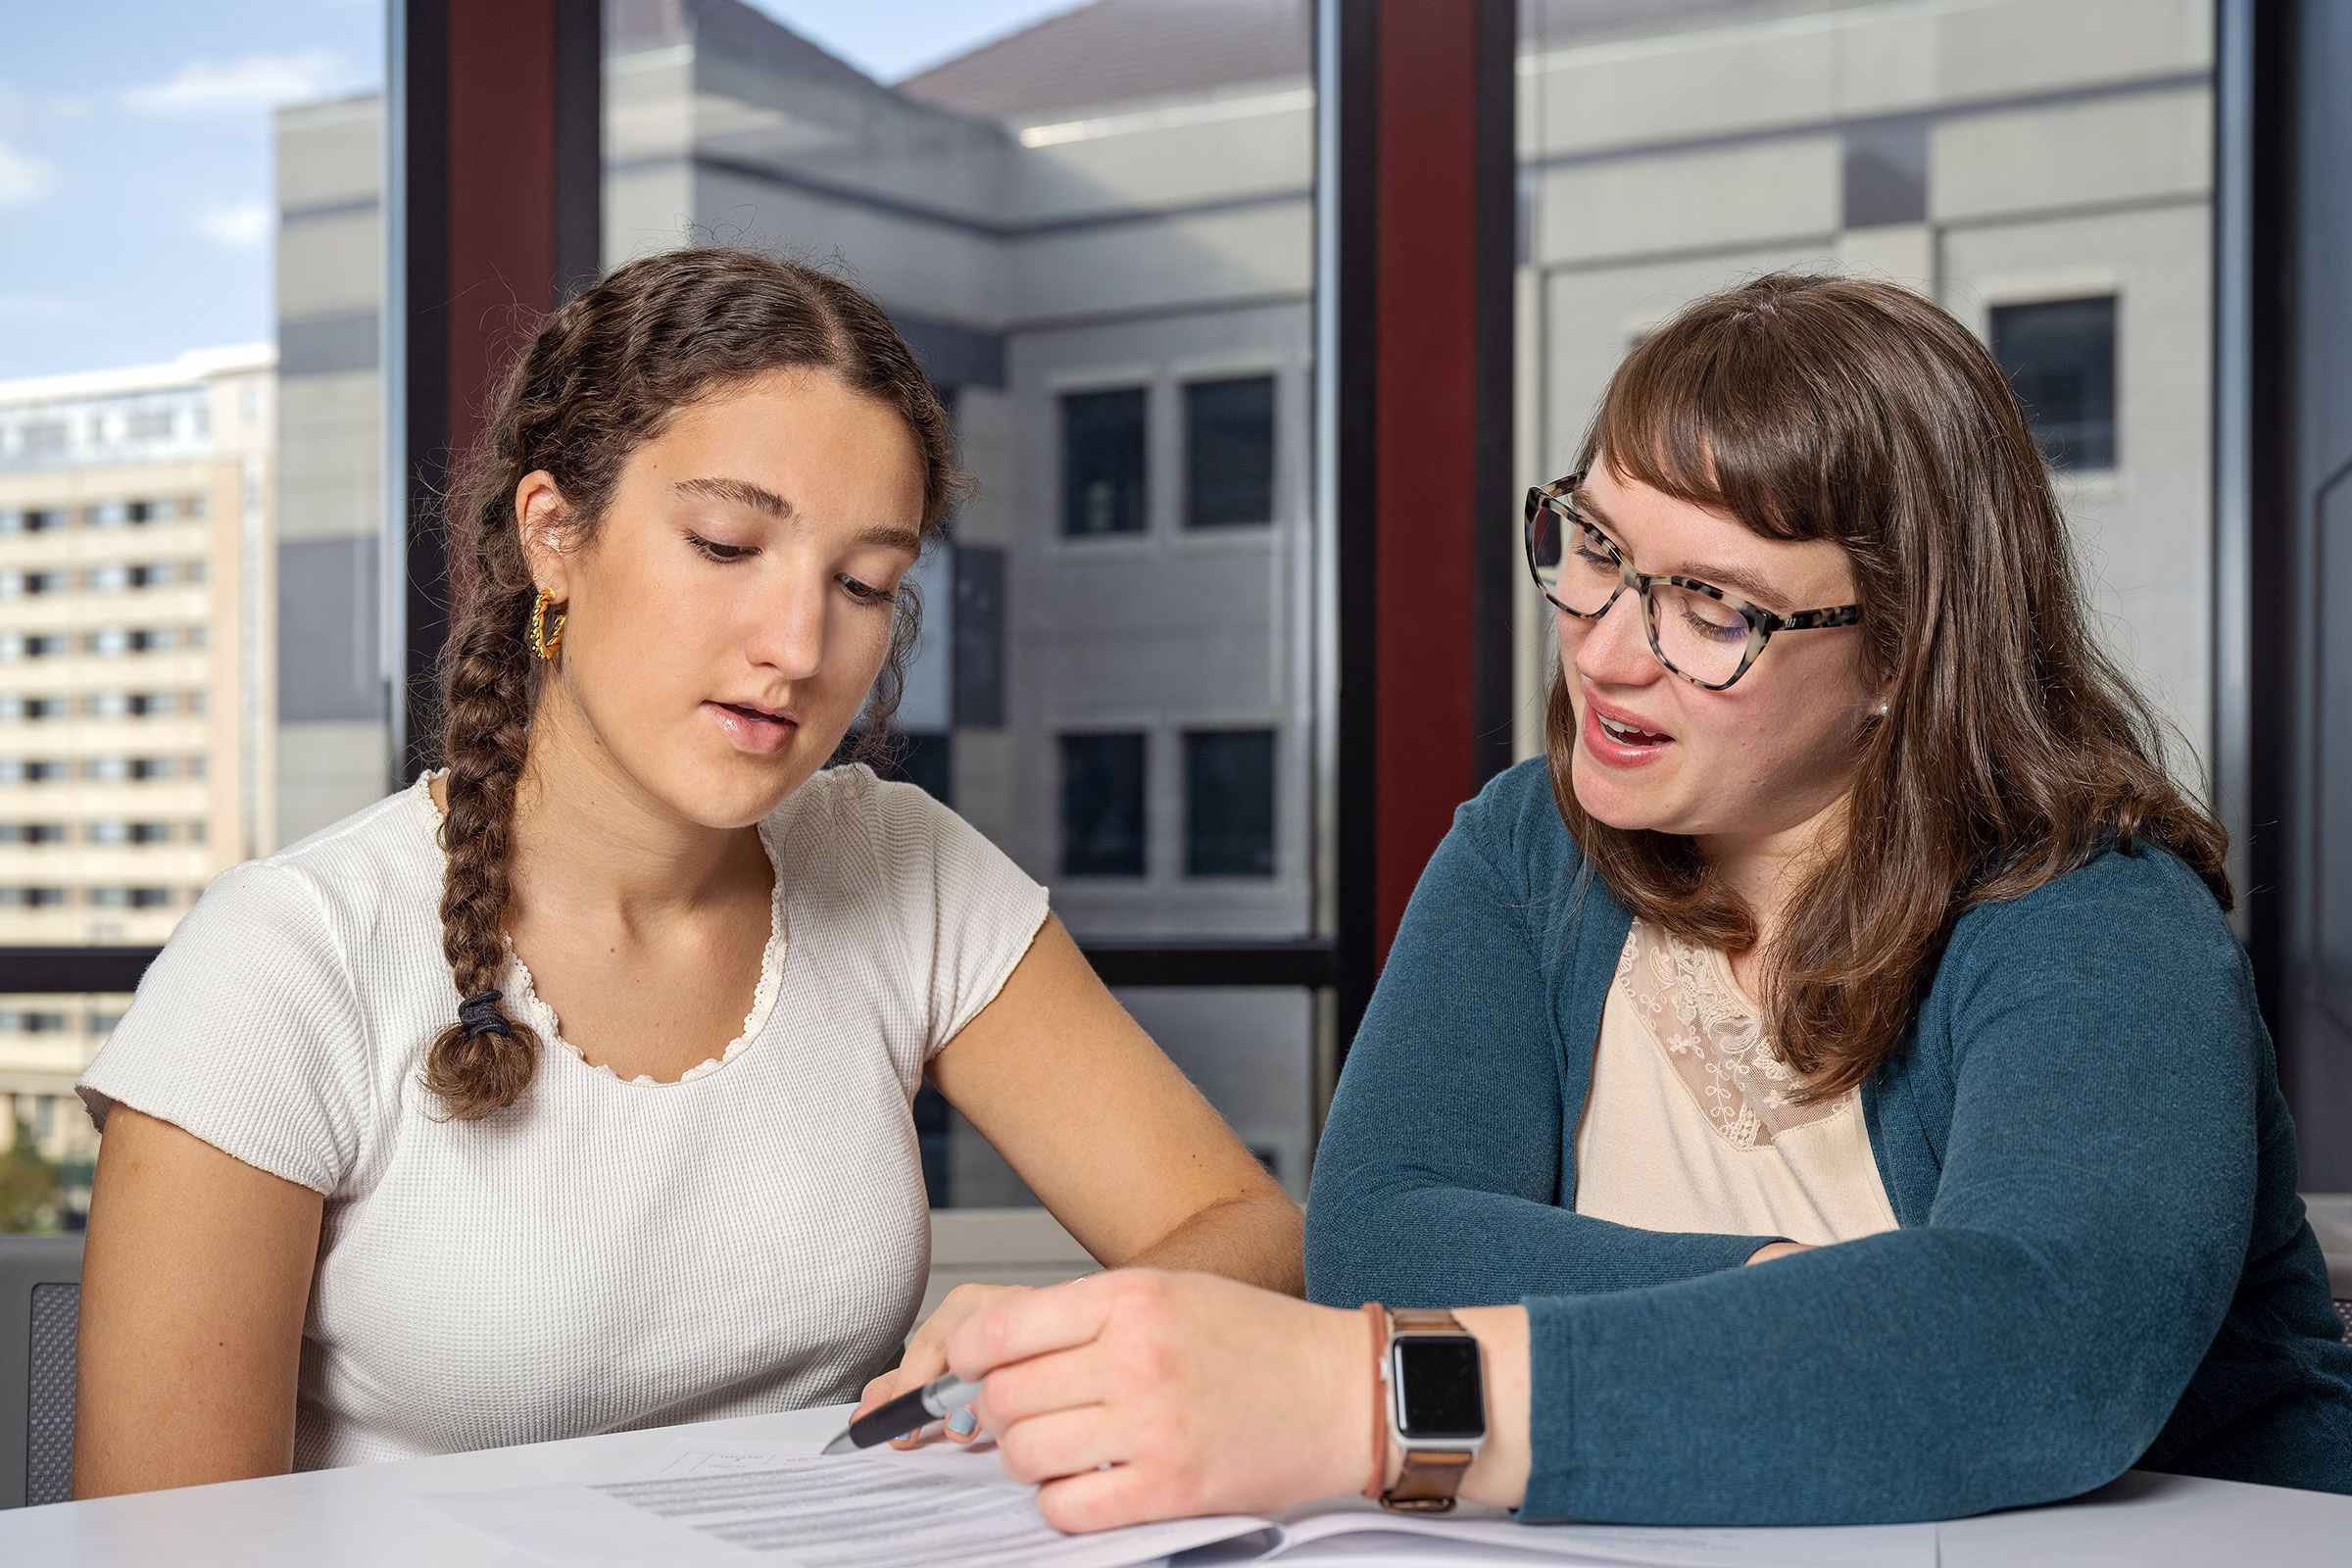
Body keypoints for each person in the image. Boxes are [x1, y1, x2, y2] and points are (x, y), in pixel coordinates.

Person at [916, 273, 2352, 1531]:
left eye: (1714, 609)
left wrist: (1375, 1406)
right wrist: (1805, 1301)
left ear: (1907, 650)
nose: (1606, 655)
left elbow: (2043, 1355)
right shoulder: (1527, 848)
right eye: (1594, 550)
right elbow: (1383, 1232)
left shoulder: (2093, 907)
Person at [70, 249, 1301, 1496]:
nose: (799, 645)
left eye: (864, 582)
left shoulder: (903, 865)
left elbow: (1252, 1234)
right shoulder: (288, 958)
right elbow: (161, 1542)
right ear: (555, 535)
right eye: (725, 545)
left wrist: (1045, 1347)